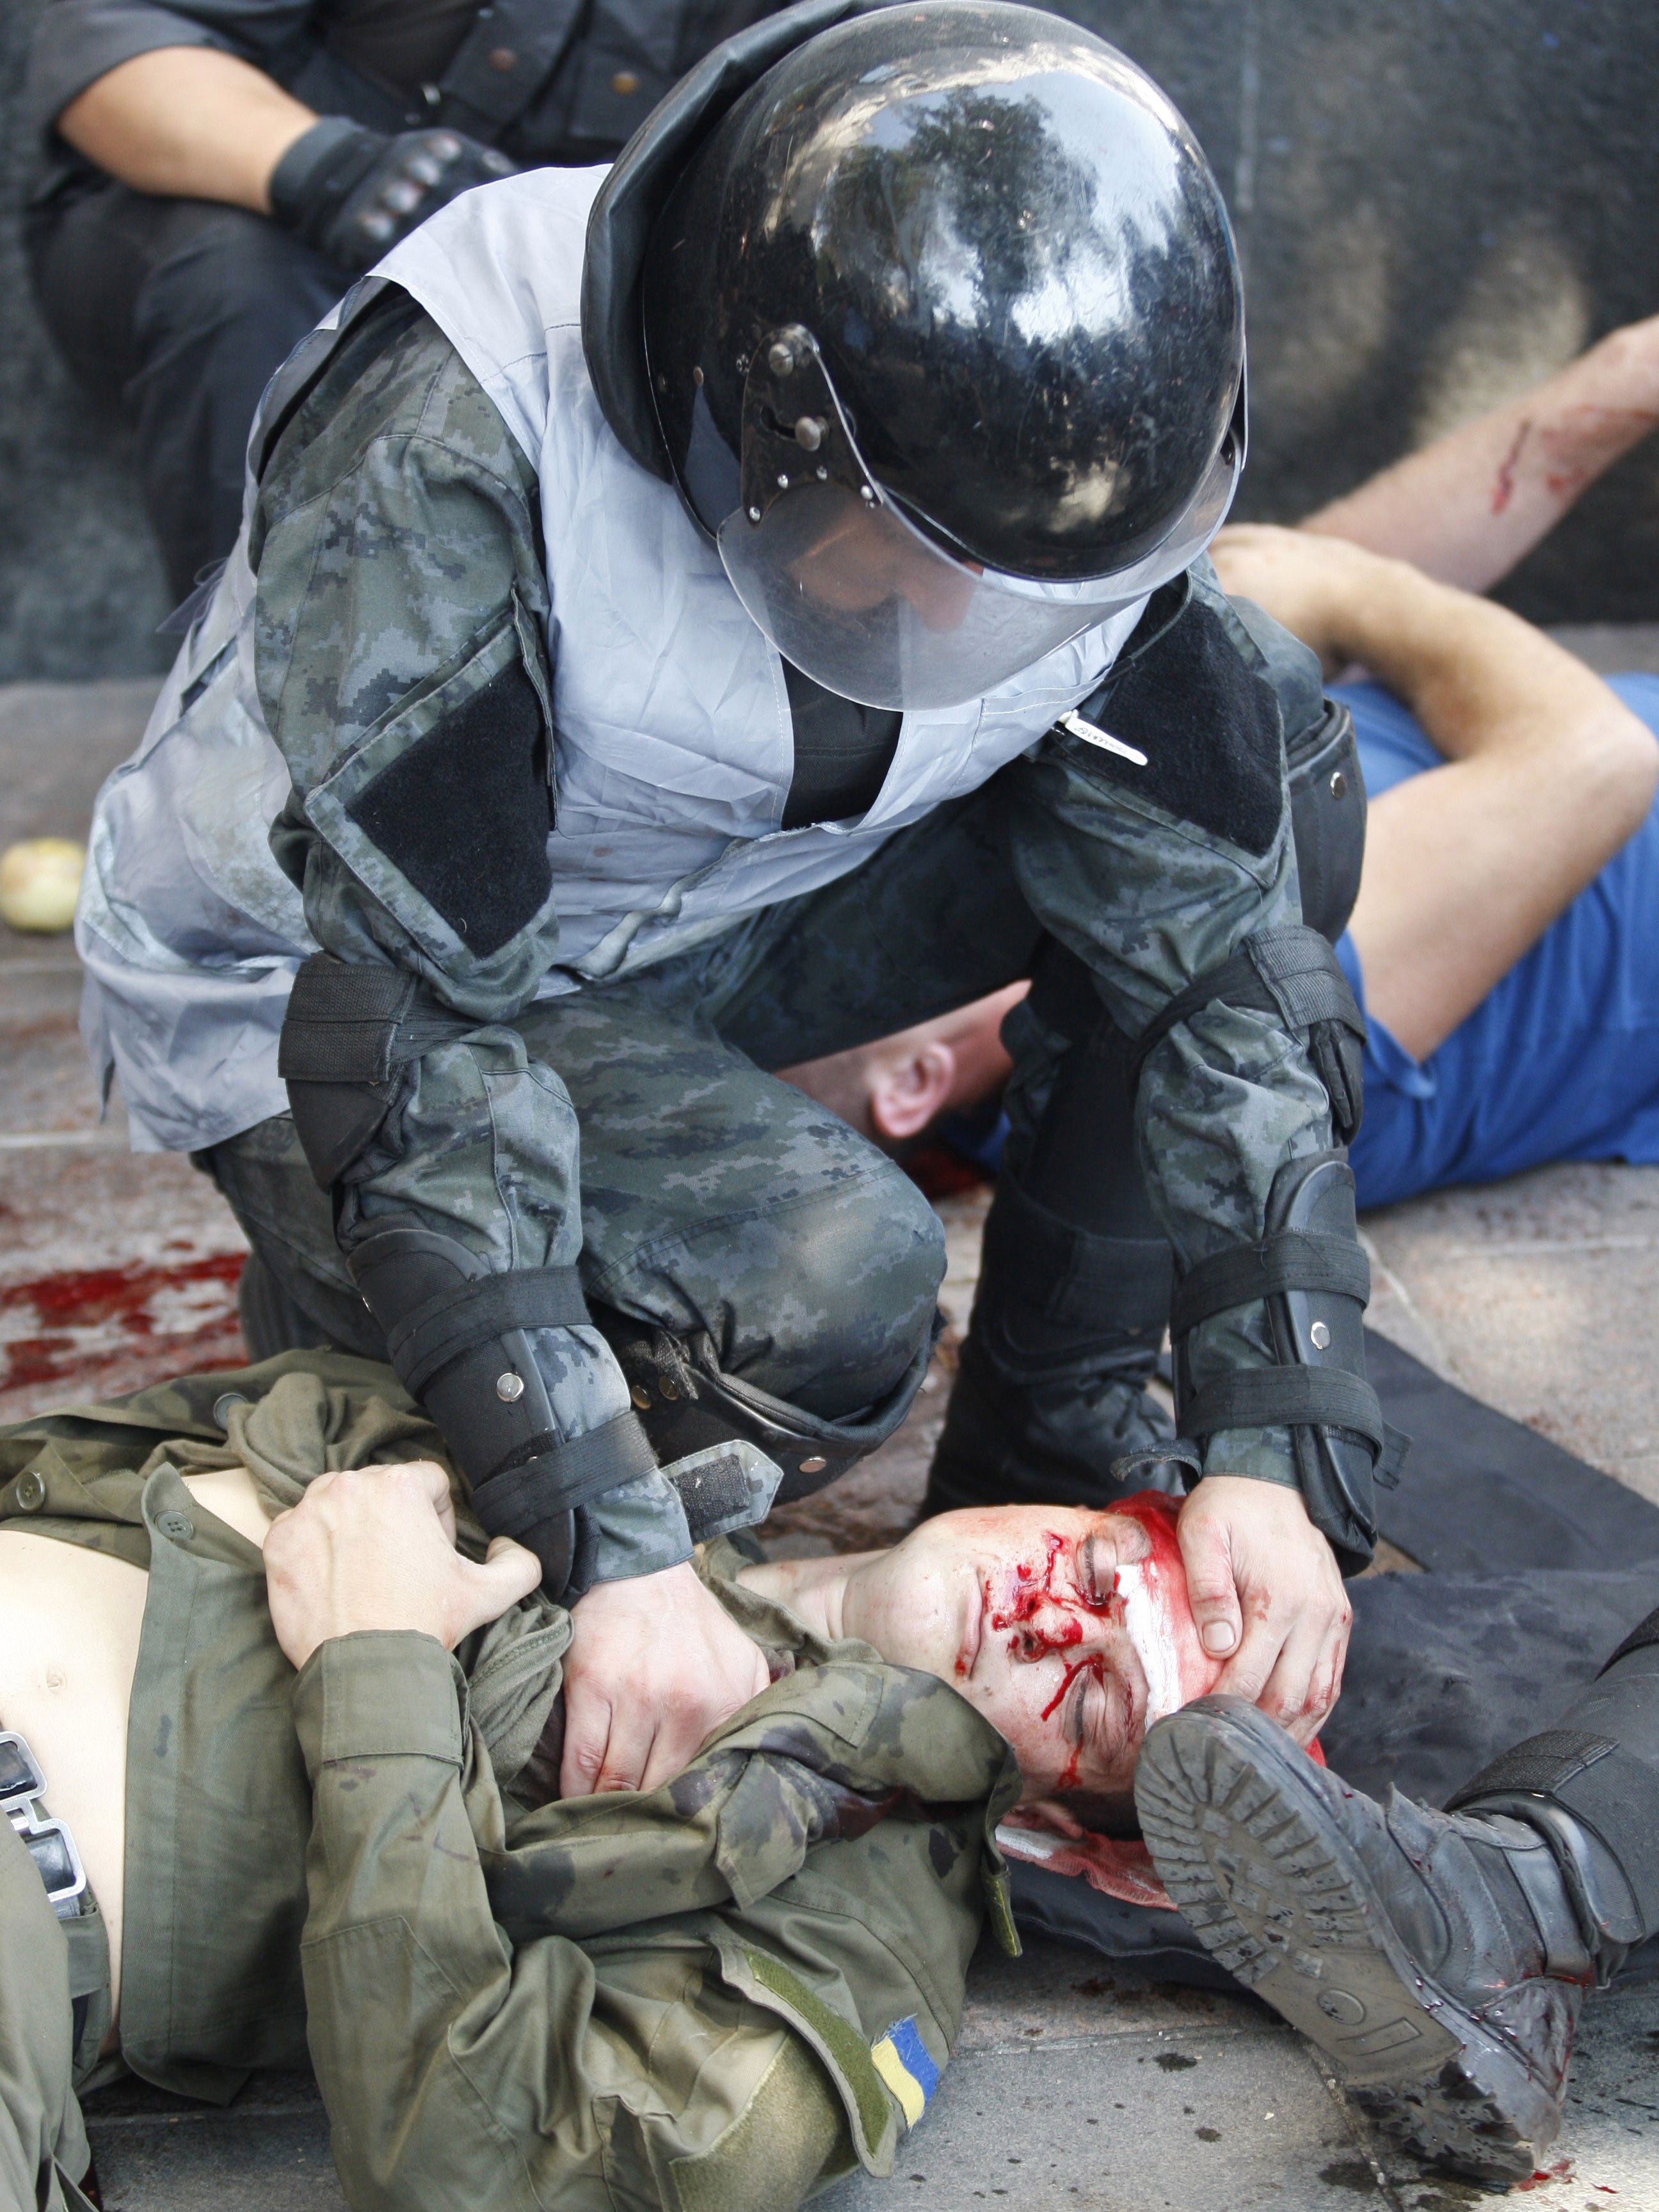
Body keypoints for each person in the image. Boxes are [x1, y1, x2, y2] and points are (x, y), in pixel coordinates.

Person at [77, 1, 1384, 1816]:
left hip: (715, 897)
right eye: (913, 570)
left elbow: (1228, 948)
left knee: (1271, 777)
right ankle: (356, 1314)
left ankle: (1055, 1420)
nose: (959, 642)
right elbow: (415, 1038)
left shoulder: (1062, 430)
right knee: (823, 1291)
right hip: (338, 985)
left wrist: (1272, 1432)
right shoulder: (455, 440)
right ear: (749, 419)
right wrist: (612, 1545)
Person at [0, 1350, 1217, 2211]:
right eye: (1101, 1571)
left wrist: (382, 1658)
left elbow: (480, 2169)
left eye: (1101, 1696)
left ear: (1063, 1825)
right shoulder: (647, 1465)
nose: (1053, 1620)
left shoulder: (857, 1932)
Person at [785, 313, 1659, 1210]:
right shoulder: (1219, 1055)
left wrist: (1618, 383)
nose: (904, 882)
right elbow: (1593, 760)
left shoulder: (1071, 880)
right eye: (886, 943)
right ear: (915, 1084)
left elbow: (1281, 588)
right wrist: (1349, 594)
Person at [23, 0, 794, 602]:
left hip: (617, 293)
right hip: (264, 229)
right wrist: (333, 173)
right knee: (239, 283)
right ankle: (251, 712)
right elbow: (113, 50)